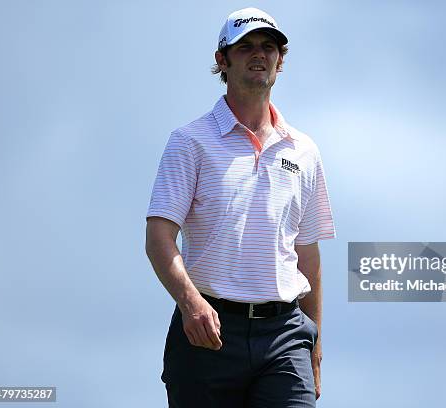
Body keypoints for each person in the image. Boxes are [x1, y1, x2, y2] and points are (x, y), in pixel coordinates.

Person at [144, 7, 335, 408]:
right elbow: (159, 238)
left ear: (280, 61)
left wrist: (314, 348)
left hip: (285, 336)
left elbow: (308, 257)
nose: (259, 55)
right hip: (207, 331)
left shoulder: (305, 151)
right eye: (245, 47)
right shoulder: (189, 141)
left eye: (268, 47)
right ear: (222, 60)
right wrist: (190, 302)